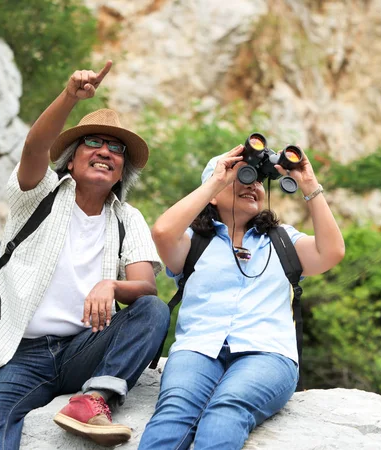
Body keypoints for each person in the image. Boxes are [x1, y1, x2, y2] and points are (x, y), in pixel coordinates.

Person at [0, 60, 170, 449]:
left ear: (122, 168)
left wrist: (110, 284)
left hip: (84, 349)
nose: (105, 151)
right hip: (18, 354)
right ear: (71, 159)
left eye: (116, 148)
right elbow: (34, 146)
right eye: (93, 142)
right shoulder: (39, 195)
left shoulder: (128, 217)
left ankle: (94, 399)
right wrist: (69, 97)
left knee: (152, 311)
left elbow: (145, 288)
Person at [139, 144, 345, 449]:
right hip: (198, 348)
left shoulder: (283, 241)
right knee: (173, 413)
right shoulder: (192, 243)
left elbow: (331, 252)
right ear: (214, 189)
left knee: (226, 411)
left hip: (267, 354)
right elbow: (161, 231)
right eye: (241, 177)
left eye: (258, 181)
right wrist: (219, 177)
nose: (253, 185)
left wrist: (309, 185)